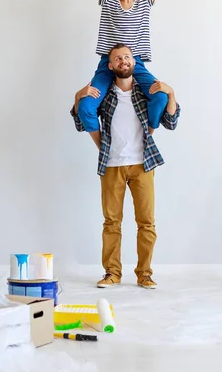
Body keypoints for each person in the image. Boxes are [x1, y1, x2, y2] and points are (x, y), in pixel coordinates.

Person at [60, 0, 194, 148]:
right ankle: (102, 146)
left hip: (136, 64)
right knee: (85, 106)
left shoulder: (145, 1)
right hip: (107, 64)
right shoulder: (108, 0)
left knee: (160, 97)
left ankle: (147, 137)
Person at [70, 43, 180, 289]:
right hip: (112, 165)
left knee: (147, 222)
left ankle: (144, 274)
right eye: (118, 58)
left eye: (127, 57)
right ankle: (112, 273)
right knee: (111, 223)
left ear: (134, 62)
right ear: (110, 66)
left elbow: (171, 121)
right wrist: (78, 95)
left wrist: (171, 93)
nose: (123, 61)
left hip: (143, 164)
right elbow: (81, 121)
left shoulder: (147, 93)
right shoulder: (103, 94)